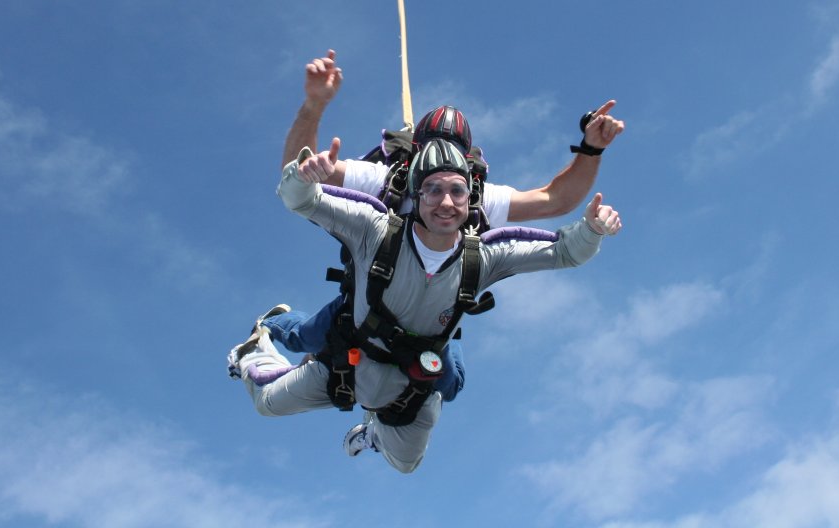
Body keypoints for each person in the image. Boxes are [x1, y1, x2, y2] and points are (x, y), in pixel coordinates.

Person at [246, 49, 624, 400]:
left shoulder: (472, 198)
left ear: (468, 167)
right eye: (430, 153)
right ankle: (272, 324)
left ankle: (382, 426)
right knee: (308, 336)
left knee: (450, 381)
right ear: (413, 157)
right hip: (369, 296)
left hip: (430, 312)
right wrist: (314, 105)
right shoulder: (384, 179)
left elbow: (555, 200)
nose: (442, 170)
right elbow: (298, 171)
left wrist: (591, 149)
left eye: (453, 161)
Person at [231, 136, 622, 473]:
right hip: (347, 361)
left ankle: (376, 432)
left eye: (456, 191)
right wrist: (302, 177)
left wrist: (592, 230)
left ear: (471, 199)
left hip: (410, 389)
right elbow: (301, 201)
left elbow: (565, 252)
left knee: (407, 464)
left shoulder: (485, 257)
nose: (445, 202)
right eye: (433, 190)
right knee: (268, 403)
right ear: (415, 196)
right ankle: (255, 349)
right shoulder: (374, 227)